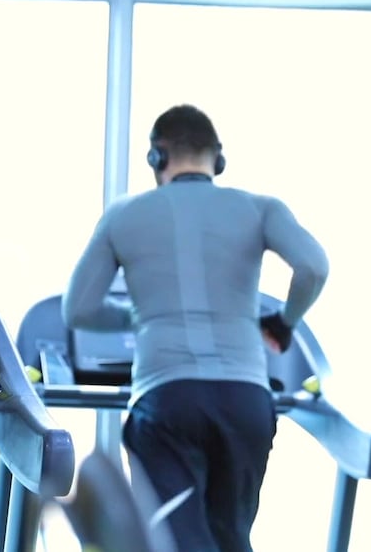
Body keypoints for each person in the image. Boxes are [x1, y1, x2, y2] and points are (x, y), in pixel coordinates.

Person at [62, 104, 329, 552]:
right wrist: (285, 322)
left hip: (168, 402)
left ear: (156, 157)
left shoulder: (124, 216)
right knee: (231, 539)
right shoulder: (260, 209)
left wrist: (137, 317)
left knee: (176, 542)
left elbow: (78, 309)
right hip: (246, 402)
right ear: (217, 158)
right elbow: (314, 267)